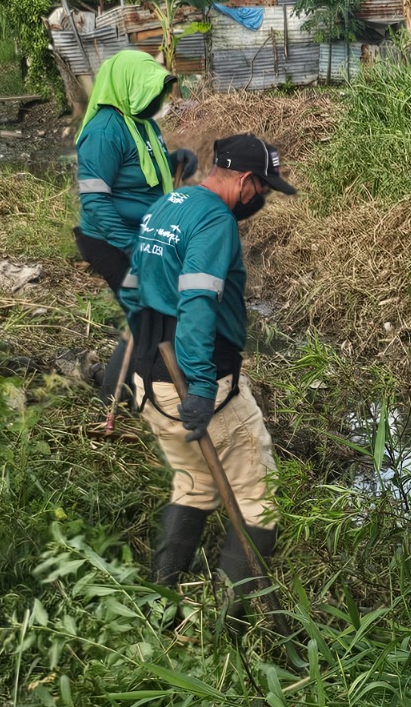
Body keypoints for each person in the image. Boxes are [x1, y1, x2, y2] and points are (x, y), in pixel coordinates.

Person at [121, 134, 293, 620]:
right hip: (199, 386)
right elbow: (197, 300)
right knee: (258, 499)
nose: (263, 199)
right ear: (245, 182)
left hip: (151, 378)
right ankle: (229, 627)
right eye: (264, 189)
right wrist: (199, 387)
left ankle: (163, 603)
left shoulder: (169, 204)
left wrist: (131, 353)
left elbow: (134, 283)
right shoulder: (217, 221)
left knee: (195, 483)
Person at [74, 50, 196, 399]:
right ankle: (114, 397)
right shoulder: (103, 132)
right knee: (148, 318)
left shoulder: (141, 123)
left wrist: (176, 159)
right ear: (126, 88)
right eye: (148, 92)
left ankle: (129, 388)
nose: (155, 102)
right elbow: (95, 201)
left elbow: (143, 167)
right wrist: (132, 245)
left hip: (142, 235)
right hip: (109, 241)